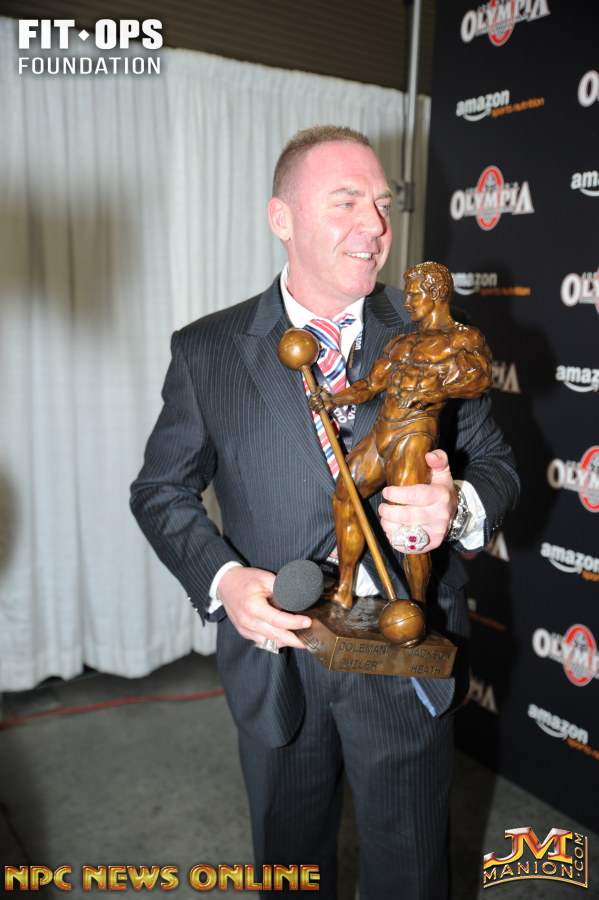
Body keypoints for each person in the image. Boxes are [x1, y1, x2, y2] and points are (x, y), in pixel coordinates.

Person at [130, 125, 519, 899]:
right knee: (290, 870)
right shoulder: (208, 350)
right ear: (282, 218)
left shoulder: (432, 341)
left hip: (406, 653)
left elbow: (497, 466)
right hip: (278, 660)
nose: (374, 226)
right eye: (346, 202)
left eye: (381, 204)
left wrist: (456, 505)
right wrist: (225, 581)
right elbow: (160, 490)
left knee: (411, 874)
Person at [311, 260, 493, 612]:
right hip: (383, 433)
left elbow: (480, 380)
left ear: (436, 293)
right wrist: (332, 400)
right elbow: (369, 386)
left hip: (415, 435)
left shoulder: (462, 338)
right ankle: (344, 587)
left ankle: (417, 606)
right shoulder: (401, 342)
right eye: (407, 295)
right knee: (345, 494)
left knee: (411, 524)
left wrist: (438, 388)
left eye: (414, 295)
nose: (407, 302)